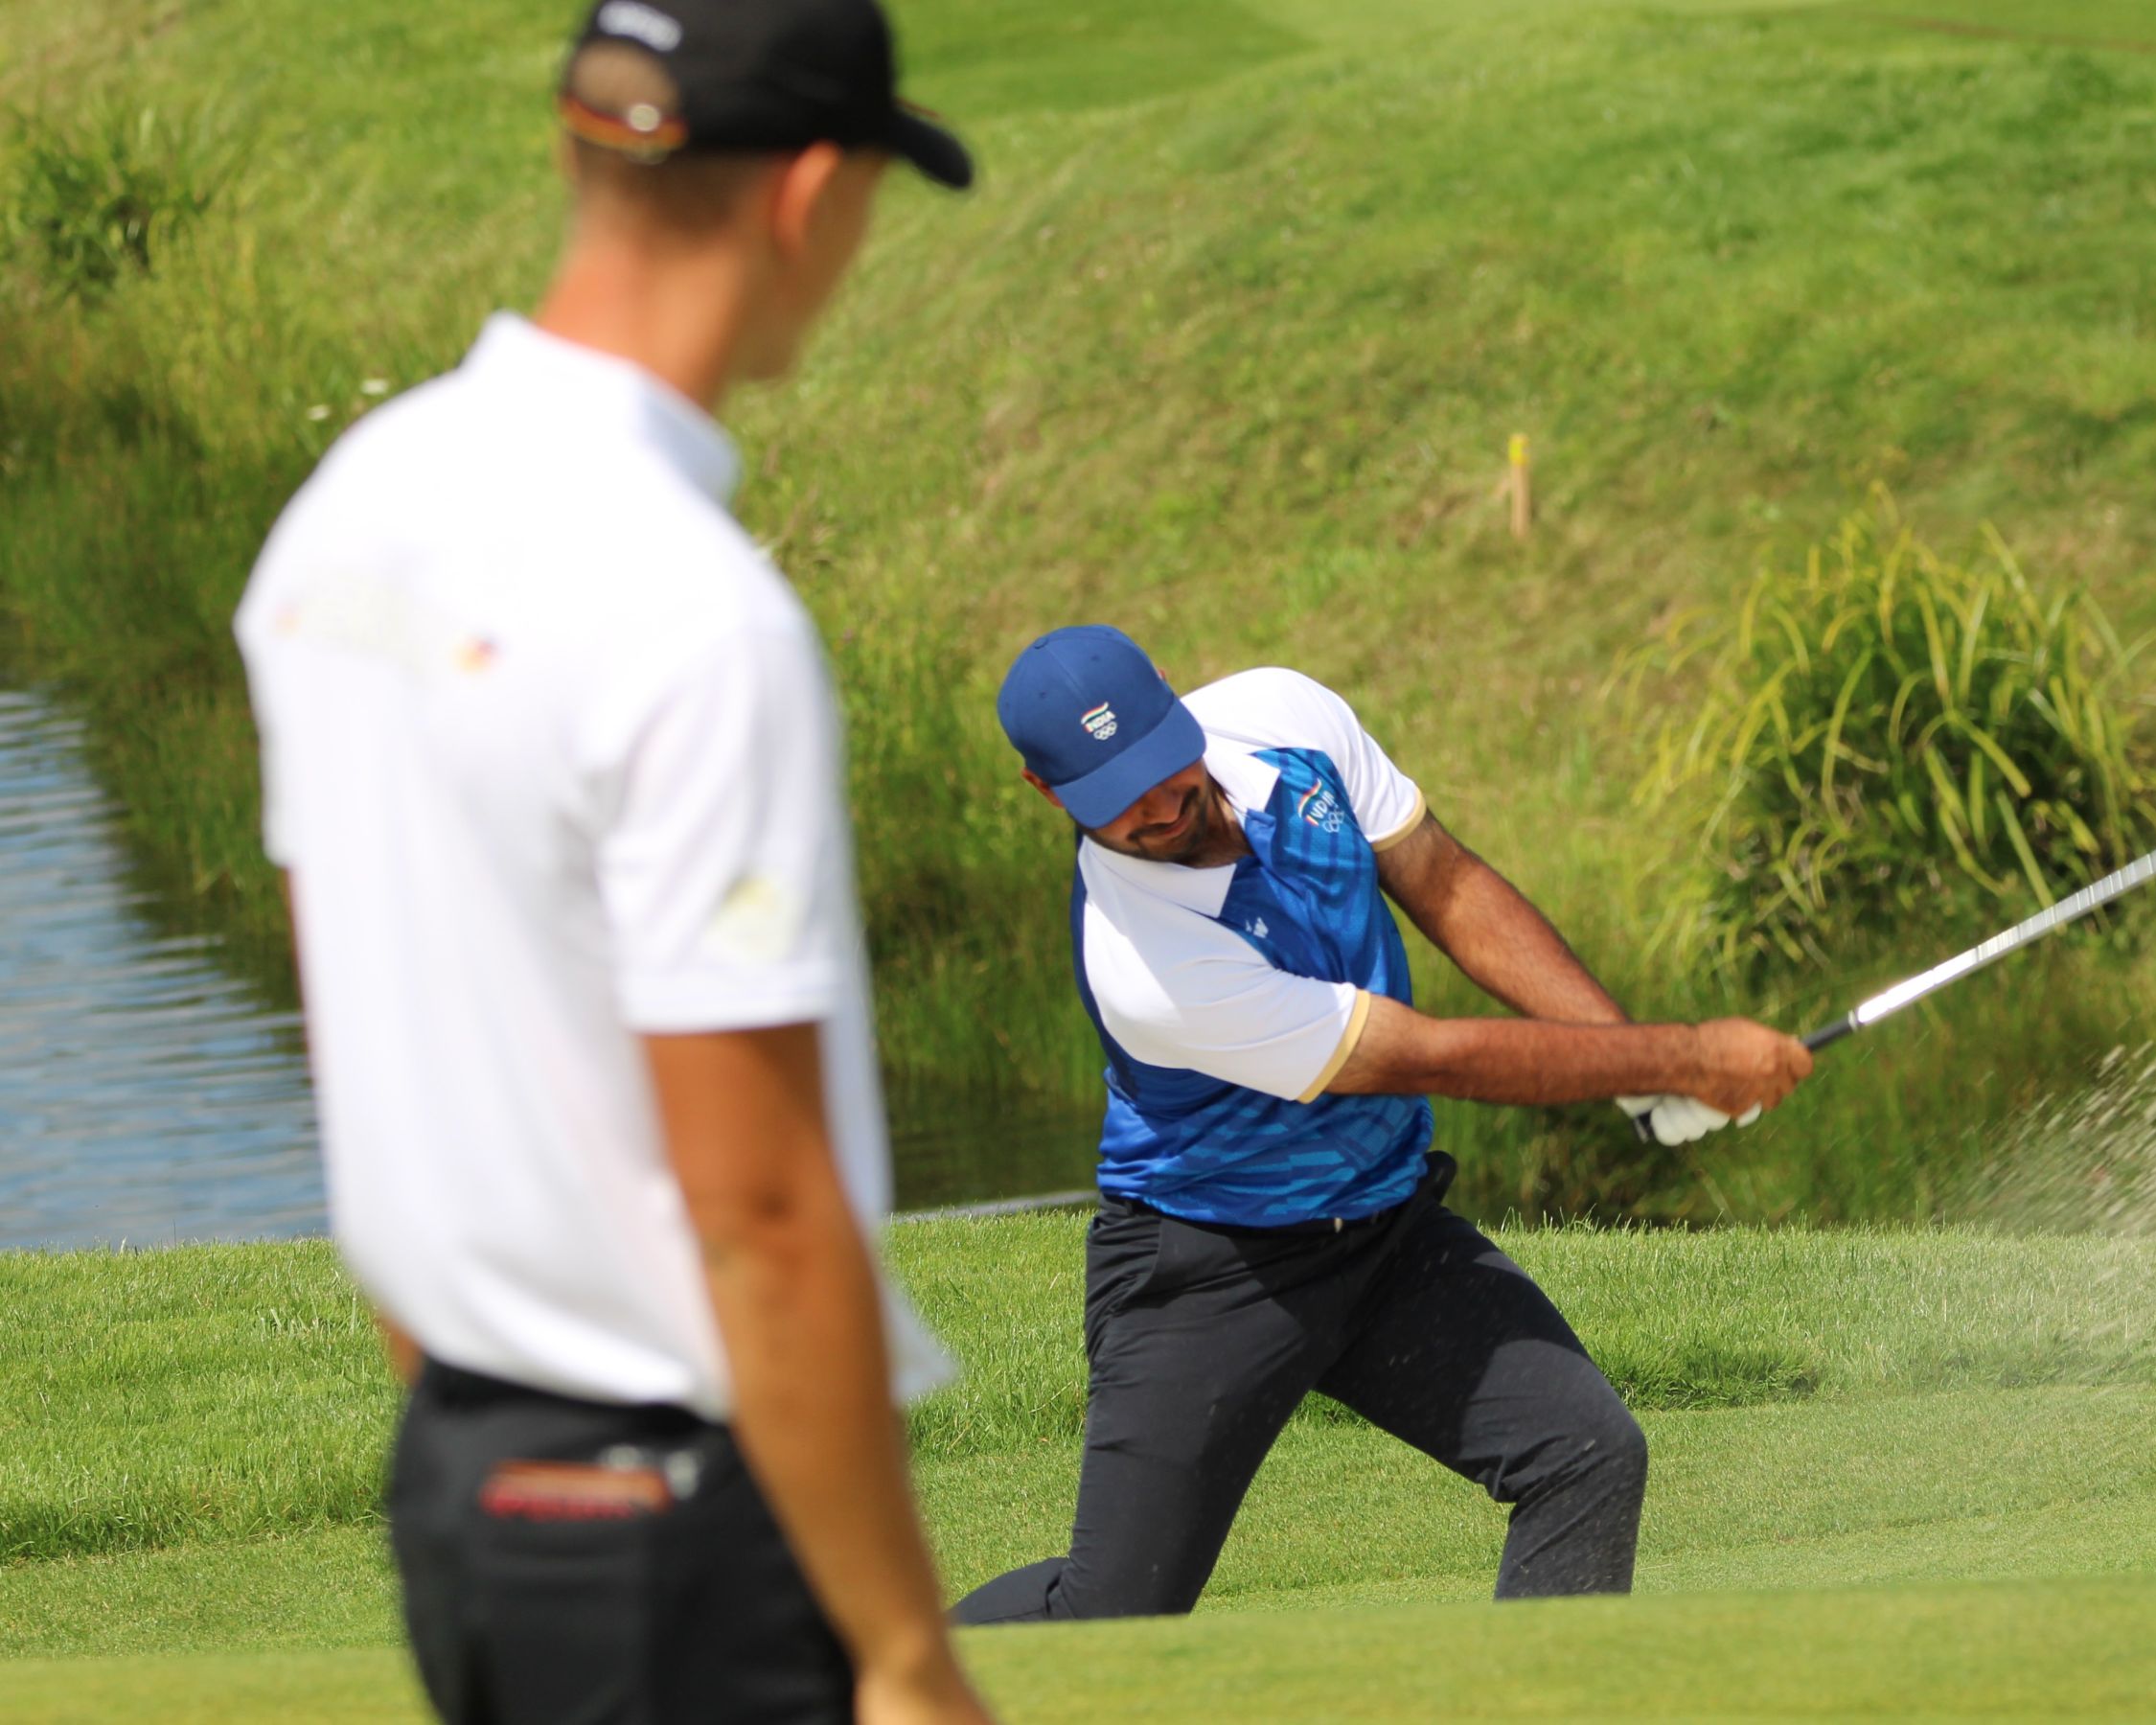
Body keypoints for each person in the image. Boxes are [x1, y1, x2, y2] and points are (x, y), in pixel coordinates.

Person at [232, 3, 994, 1719]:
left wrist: (472, 1406)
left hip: (461, 1485)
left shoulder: (351, 505)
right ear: (808, 195)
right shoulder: (694, 614)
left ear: (580, 146)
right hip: (677, 1527)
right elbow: (764, 1211)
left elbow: (363, 1020)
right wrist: (900, 1651)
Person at [952, 625, 1815, 1625]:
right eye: (1116, 798)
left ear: (1171, 699)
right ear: (1047, 793)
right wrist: (1683, 1056)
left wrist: (1625, 1062)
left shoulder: (1284, 715)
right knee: (1109, 1617)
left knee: (1584, 1454)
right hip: (1214, 1269)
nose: (1157, 806)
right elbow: (1428, 1056)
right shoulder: (1139, 961)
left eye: (1159, 764)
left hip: (1385, 1228)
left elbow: (1447, 887)